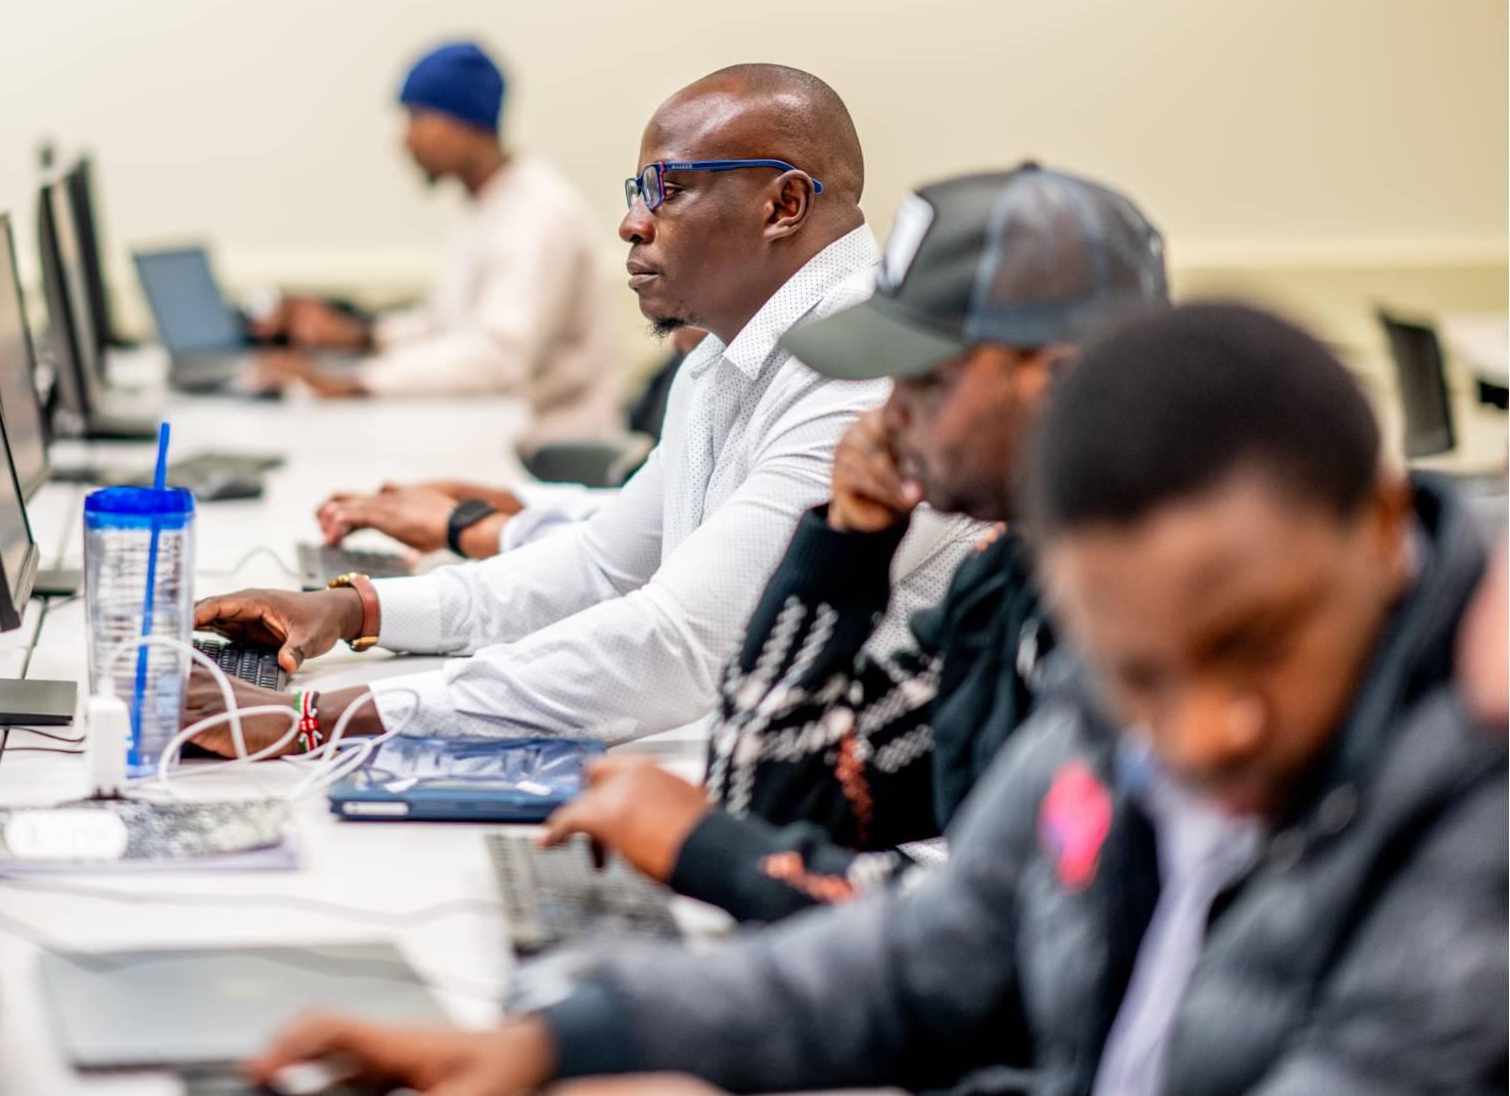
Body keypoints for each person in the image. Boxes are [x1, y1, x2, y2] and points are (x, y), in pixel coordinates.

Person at [249, 303, 1509, 1096]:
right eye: (1135, 675)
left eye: (1255, 645)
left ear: (1385, 523)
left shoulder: (1473, 800)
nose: (1196, 731)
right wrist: (565, 1040)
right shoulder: (1067, 653)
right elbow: (925, 964)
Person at [191, 63, 892, 750]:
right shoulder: (721, 359)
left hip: (845, 828)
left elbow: (673, 645)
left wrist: (316, 715)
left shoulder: (861, 378)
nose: (630, 224)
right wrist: (354, 607)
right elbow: (602, 566)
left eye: (665, 190)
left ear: (784, 205)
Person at [538, 165, 1169, 922]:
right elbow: (765, 794)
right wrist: (841, 549)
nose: (885, 414)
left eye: (926, 382)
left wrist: (713, 854)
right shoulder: (1007, 583)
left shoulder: (1156, 631)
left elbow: (1005, 924)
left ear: (1062, 383)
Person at [250, 40, 622, 452]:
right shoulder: (485, 204)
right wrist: (360, 338)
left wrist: (360, 381)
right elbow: (448, 322)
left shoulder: (538, 216)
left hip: (551, 449)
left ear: (464, 121)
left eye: (416, 120)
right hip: (495, 429)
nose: (405, 141)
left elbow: (498, 358)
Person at [314, 328, 709, 563]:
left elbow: (630, 558)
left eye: (670, 191)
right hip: (603, 473)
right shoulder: (704, 369)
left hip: (563, 430)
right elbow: (630, 516)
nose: (633, 225)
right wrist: (477, 497)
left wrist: (463, 526)